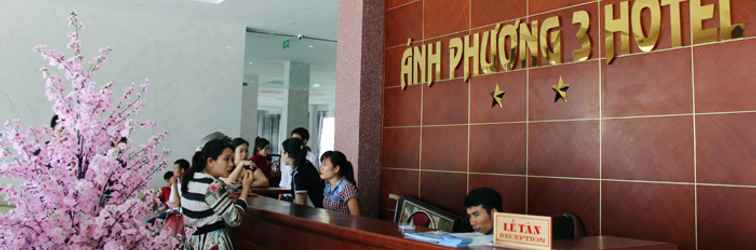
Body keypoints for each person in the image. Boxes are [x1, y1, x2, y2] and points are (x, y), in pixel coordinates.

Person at [181, 138, 255, 250]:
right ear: (210, 161)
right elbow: (234, 220)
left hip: (193, 243)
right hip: (212, 243)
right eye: (226, 159)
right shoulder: (211, 186)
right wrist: (245, 190)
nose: (231, 164)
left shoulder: (191, 178)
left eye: (232, 159)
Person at [281, 138, 324, 208]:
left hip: (313, 214)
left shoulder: (299, 173)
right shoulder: (306, 164)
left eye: (282, 152)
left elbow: (300, 205)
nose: (281, 155)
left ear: (287, 154)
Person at [319, 151, 360, 216]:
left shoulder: (346, 188)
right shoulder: (327, 186)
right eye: (321, 164)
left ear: (336, 168)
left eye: (325, 165)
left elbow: (356, 217)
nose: (321, 168)